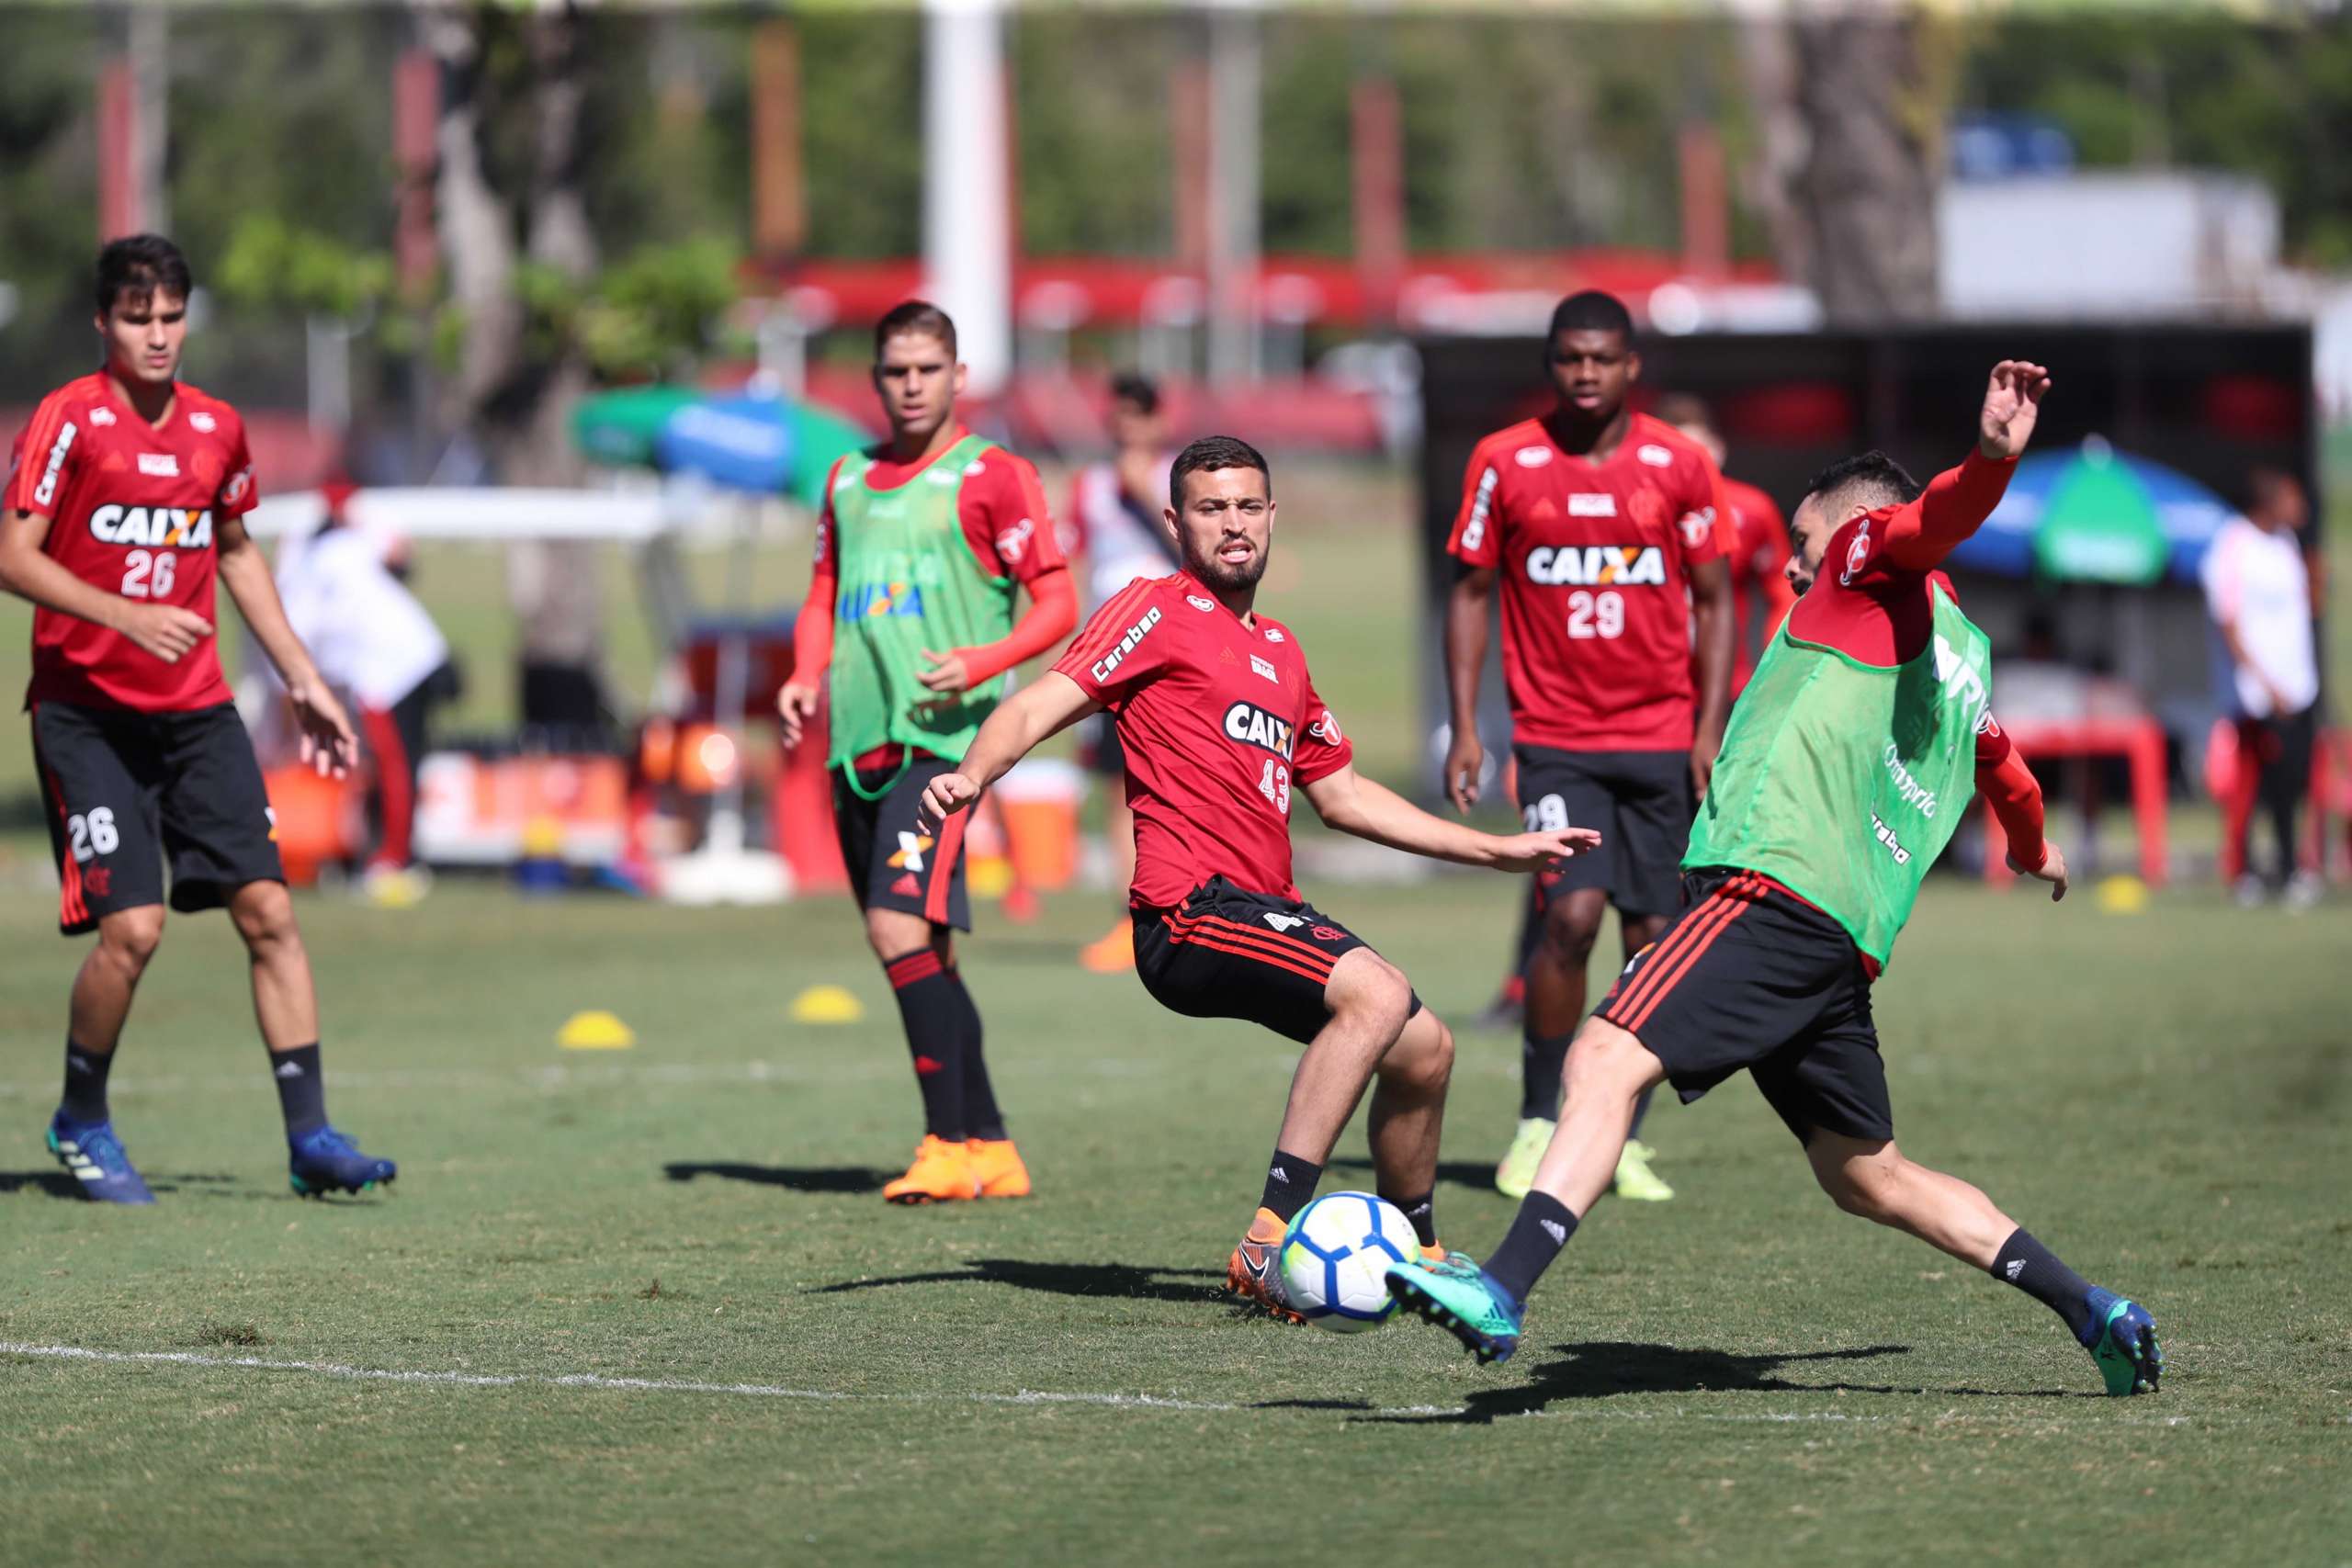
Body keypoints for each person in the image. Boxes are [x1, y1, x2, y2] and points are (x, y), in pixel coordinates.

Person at [1388, 362, 2167, 1400]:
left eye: (1802, 543)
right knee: (1866, 1174)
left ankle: (1502, 1285)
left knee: (1604, 1055)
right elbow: (2006, 769)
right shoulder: (1962, 655)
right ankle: (2094, 1309)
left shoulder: (1862, 559)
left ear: (1849, 528)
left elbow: (1932, 518)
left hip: (1774, 889)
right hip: (1842, 936)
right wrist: (2032, 848)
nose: (1795, 568)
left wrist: (1990, 458)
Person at [918, 436, 1598, 1320]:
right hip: (1187, 912)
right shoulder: (1153, 608)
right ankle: (1266, 1240)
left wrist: (1495, 849)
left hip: (1266, 908)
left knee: (1427, 1049)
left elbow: (1343, 795)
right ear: (1176, 523)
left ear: (1272, 516)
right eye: (1211, 508)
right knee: (1377, 993)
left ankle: (1420, 1253)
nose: (1232, 524)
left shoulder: (1281, 649)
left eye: (1247, 506)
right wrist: (973, 776)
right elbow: (1038, 703)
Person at [0, 234, 397, 1203]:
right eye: (138, 318)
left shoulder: (217, 428)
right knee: (133, 931)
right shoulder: (70, 420)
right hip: (87, 716)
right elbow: (13, 555)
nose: (158, 335)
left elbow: (236, 550)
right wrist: (125, 614)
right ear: (103, 321)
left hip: (196, 714)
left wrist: (302, 676)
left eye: (172, 317)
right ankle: (81, 1118)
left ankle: (311, 1139)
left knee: (270, 911)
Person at [776, 301, 1077, 1204]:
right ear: (876, 379)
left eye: (926, 369)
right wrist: (804, 673)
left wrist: (984, 662)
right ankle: (992, 1146)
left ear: (958, 376)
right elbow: (822, 591)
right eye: (895, 371)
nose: (911, 386)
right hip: (855, 743)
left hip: (942, 747)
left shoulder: (994, 476)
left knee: (895, 928)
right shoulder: (846, 479)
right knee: (924, 950)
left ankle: (946, 1144)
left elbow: (1058, 603)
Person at [1443, 290, 1735, 1206]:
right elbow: (1470, 591)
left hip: (1660, 739)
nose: (1585, 373)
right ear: (1550, 362)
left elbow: (1717, 598)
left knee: (1652, 945)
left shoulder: (1678, 464)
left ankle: (1620, 1137)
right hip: (1556, 740)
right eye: (1570, 357)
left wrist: (1708, 729)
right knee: (1568, 920)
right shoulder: (1505, 461)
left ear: (1630, 366)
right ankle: (1539, 1121)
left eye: (1601, 359)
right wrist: (1467, 726)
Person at [273, 476, 456, 908]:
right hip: (408, 659)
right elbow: (398, 549)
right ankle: (391, 851)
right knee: (396, 764)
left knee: (395, 764)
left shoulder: (312, 564)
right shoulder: (342, 546)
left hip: (388, 669)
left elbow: (295, 644)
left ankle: (395, 859)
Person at [1064, 373, 1180, 975]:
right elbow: (1074, 566)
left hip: (1175, 649)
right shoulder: (1089, 486)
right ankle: (1129, 919)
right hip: (1111, 656)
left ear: (1159, 421)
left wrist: (1148, 497)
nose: (1127, 428)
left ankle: (1193, 913)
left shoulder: (1181, 480)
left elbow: (1204, 558)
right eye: (1120, 416)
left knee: (1186, 783)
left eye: (1139, 416)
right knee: (1119, 787)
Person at [2202, 468, 2322, 909]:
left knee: (2292, 784)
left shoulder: (2287, 545)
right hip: (2255, 696)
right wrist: (2265, 684)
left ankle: (2292, 868)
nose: (2301, 508)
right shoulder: (2234, 545)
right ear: (2269, 502)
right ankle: (2245, 872)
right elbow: (2229, 622)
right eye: (2292, 499)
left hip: (2297, 690)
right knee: (2249, 790)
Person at [1651, 392, 1796, 697]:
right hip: (1652, 688)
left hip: (1730, 685)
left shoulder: (1752, 510)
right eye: (1677, 455)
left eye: (1699, 452)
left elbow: (1784, 591)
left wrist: (1775, 666)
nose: (1689, 466)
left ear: (1718, 450)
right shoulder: (1633, 510)